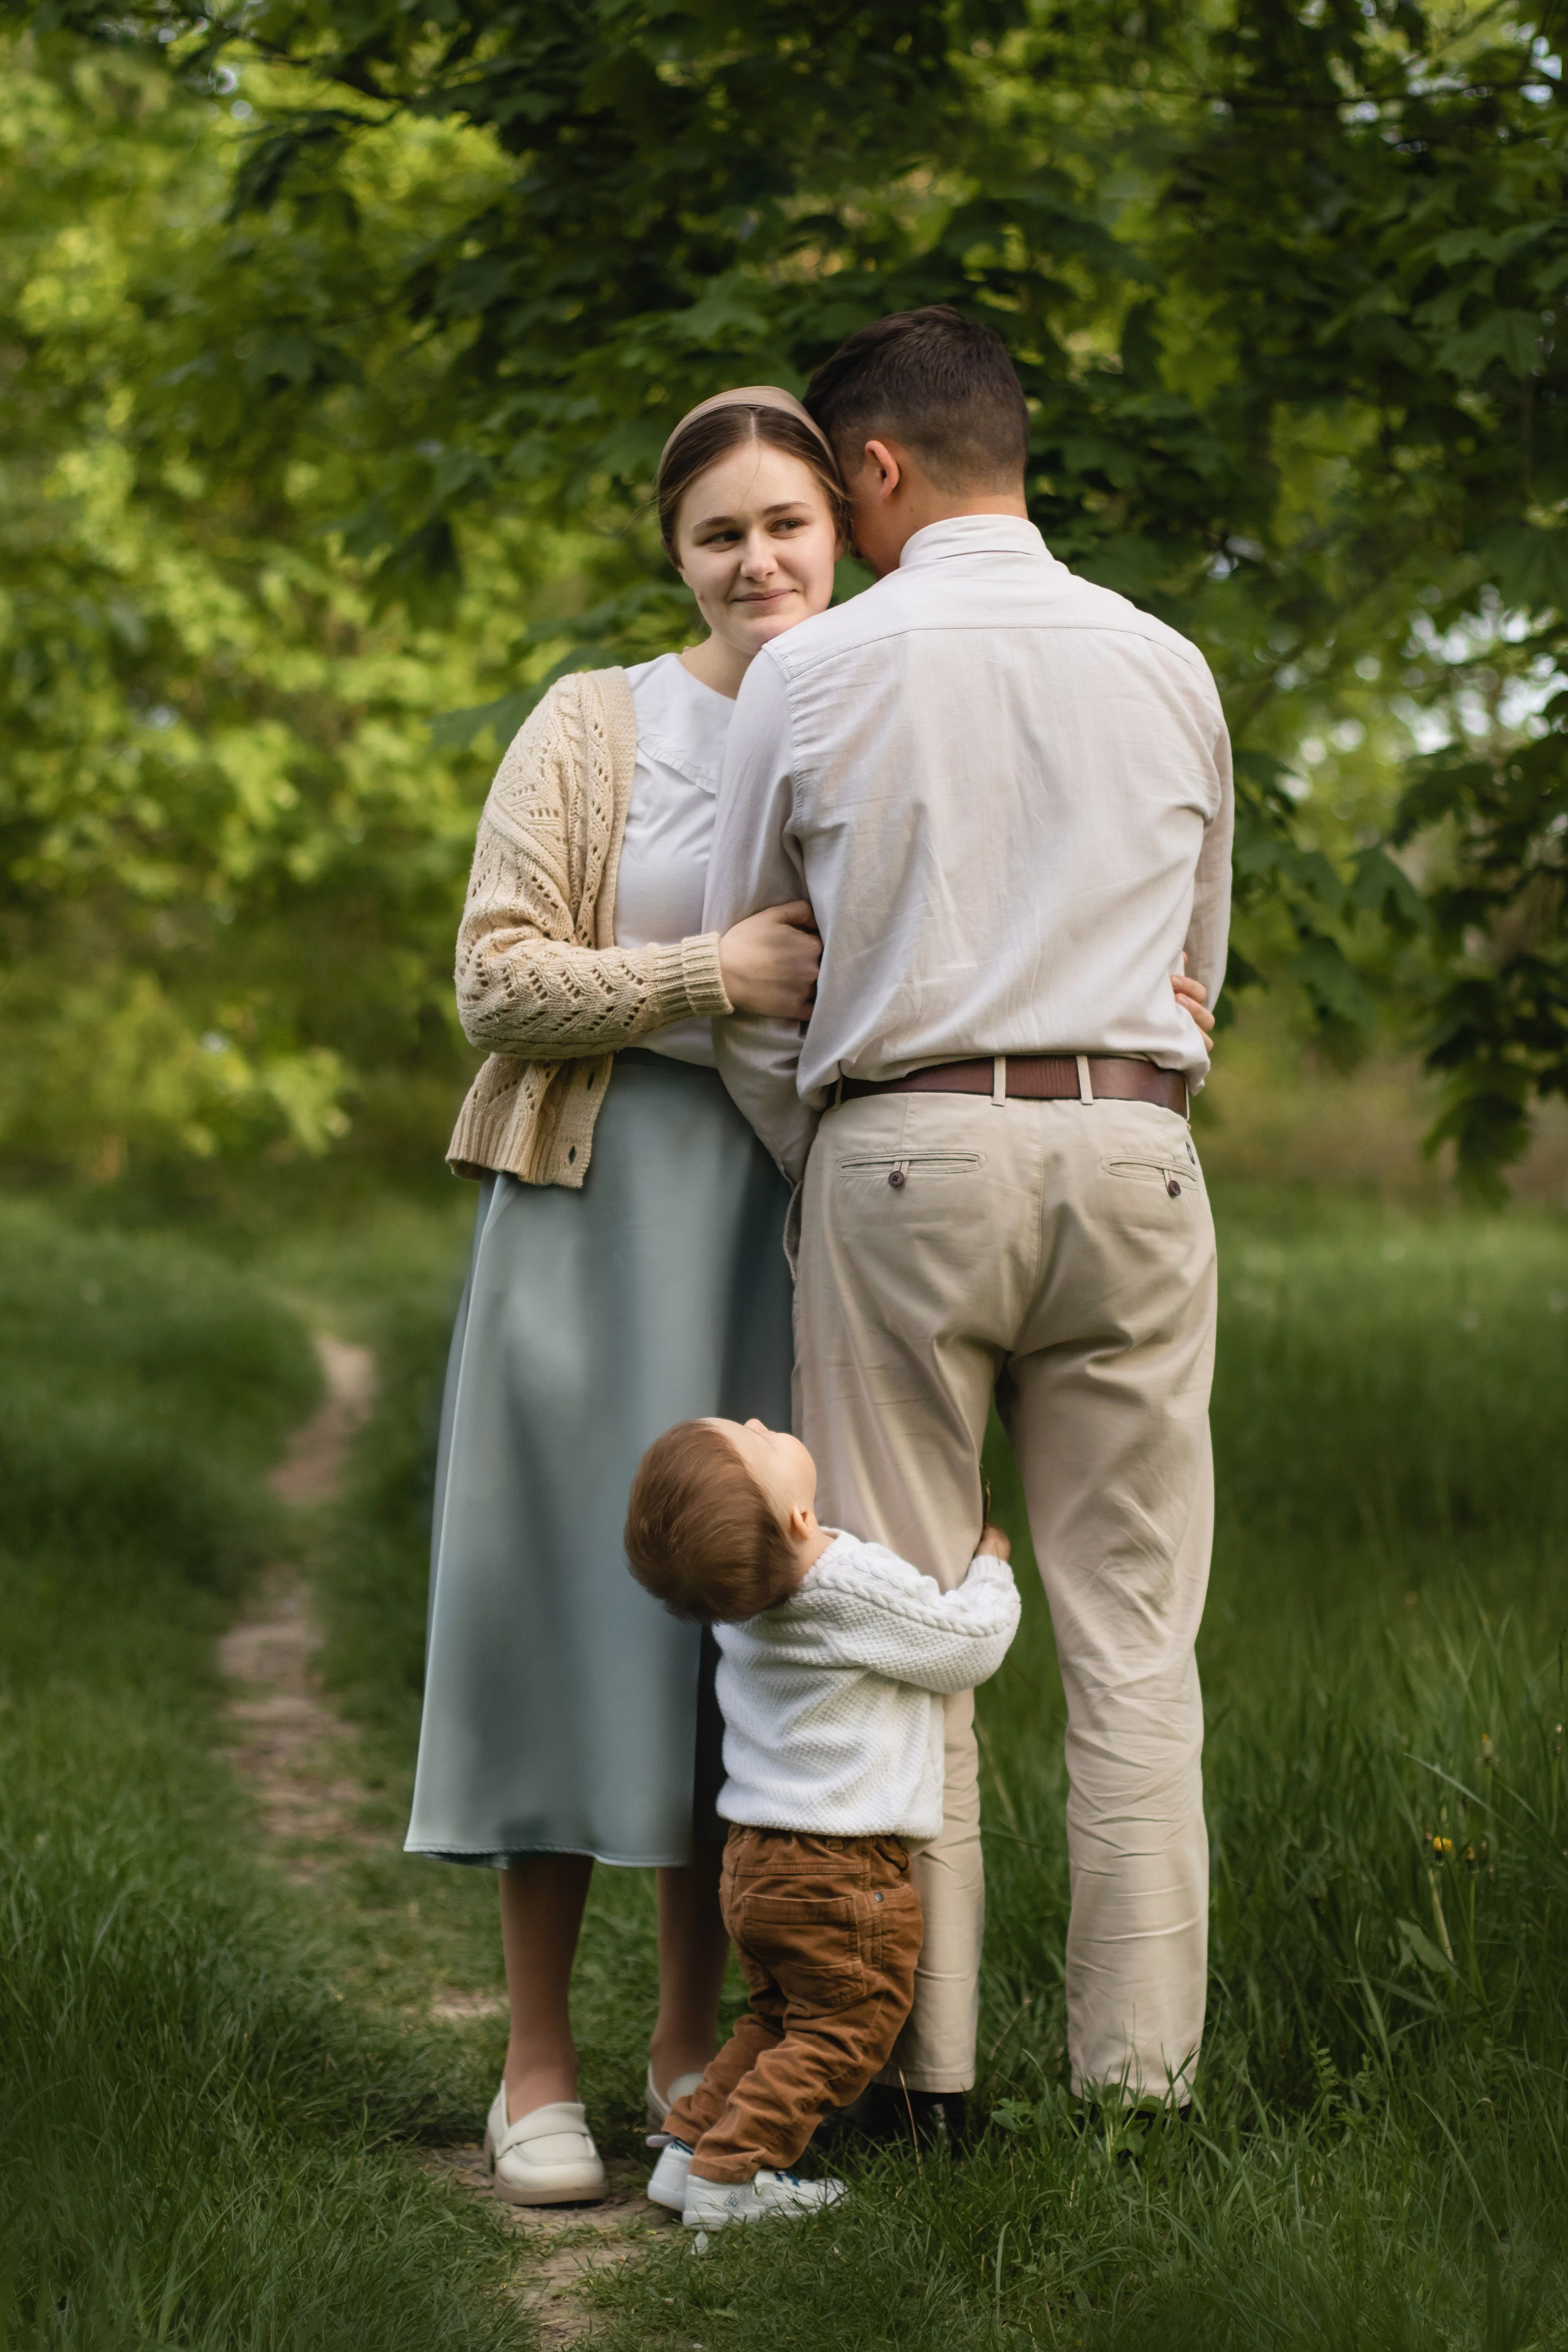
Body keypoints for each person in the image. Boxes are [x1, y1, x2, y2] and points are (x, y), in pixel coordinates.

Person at [703, 306, 1234, 2131]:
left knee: (912, 1623)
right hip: (1136, 1152)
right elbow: (1197, 979)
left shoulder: (817, 670)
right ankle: (1141, 2093)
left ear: (872, 469)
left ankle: (925, 2081)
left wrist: (836, 1141)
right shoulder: (1171, 663)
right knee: (1135, 1640)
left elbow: (752, 981)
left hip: (902, 1158)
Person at [404, 386, 846, 2206]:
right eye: (720, 531)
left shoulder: (886, 710)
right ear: (676, 554)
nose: (757, 559)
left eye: (788, 525)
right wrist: (707, 973)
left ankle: (688, 2045)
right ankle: (532, 2067)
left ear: (847, 533)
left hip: (781, 1237)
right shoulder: (601, 720)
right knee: (558, 1622)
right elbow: (496, 982)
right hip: (585, 1224)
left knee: (722, 1641)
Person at [621, 1414, 1019, 2229]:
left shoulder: (736, 1600)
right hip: (840, 1870)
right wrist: (993, 1569)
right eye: (754, 1437)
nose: (763, 1420)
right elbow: (969, 1644)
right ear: (799, 1521)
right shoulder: (844, 1583)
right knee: (843, 2032)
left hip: (754, 1863)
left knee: (777, 2022)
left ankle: (690, 2149)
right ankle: (737, 2176)